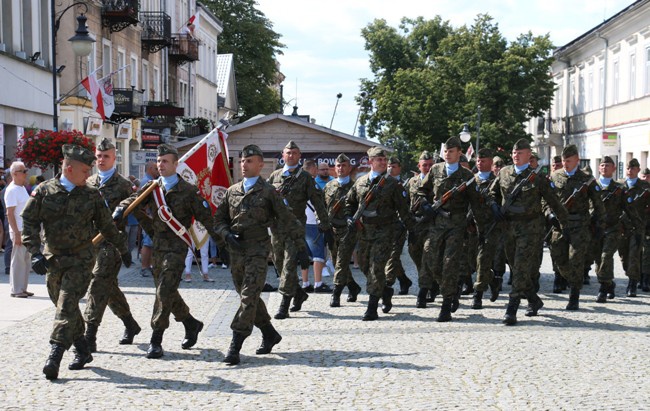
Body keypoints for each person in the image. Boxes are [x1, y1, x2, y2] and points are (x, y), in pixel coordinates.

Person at [22, 144, 132, 380]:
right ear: (69, 168)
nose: (88, 175)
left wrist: (123, 250)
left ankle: (55, 355)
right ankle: (82, 347)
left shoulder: (92, 194)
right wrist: (35, 253)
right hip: (53, 259)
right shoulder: (44, 191)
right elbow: (29, 221)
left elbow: (106, 226)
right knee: (65, 307)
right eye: (85, 171)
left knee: (66, 303)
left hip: (81, 259)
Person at [115, 144, 221, 359]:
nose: (160, 165)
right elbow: (134, 201)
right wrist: (121, 208)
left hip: (177, 246)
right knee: (168, 290)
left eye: (165, 161)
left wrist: (225, 240)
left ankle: (156, 339)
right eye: (158, 161)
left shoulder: (189, 191)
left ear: (175, 164)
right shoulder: (152, 188)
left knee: (164, 290)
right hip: (158, 246)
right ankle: (191, 323)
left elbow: (207, 220)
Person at [215, 144, 302, 365]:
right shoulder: (231, 191)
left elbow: (286, 217)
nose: (244, 165)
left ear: (260, 164)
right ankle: (270, 333)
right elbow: (219, 220)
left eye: (250, 161)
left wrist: (301, 245)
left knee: (248, 296)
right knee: (250, 297)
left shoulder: (269, 191)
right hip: (236, 250)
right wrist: (226, 236)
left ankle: (236, 344)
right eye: (242, 161)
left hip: (258, 248)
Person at [488, 139, 568, 325]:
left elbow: (554, 201)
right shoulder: (504, 173)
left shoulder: (537, 178)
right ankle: (533, 299)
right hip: (509, 228)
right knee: (516, 268)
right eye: (514, 153)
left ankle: (512, 307)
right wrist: (493, 206)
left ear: (528, 156)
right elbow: (492, 193)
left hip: (530, 228)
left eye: (520, 153)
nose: (516, 155)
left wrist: (564, 224)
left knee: (522, 266)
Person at [83, 139, 142, 353]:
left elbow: (138, 203)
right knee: (109, 288)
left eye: (105, 156)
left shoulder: (123, 184)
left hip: (112, 243)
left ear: (114, 157)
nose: (101, 160)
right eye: (98, 156)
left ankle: (89, 335)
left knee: (98, 284)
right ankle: (130, 324)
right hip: (90, 244)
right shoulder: (88, 182)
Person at [415, 137, 481, 322]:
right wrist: (425, 204)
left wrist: (478, 225)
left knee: (450, 262)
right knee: (430, 257)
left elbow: (475, 202)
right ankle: (449, 289)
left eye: (451, 151)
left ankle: (446, 304)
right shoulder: (436, 170)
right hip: (437, 223)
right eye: (445, 151)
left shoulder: (467, 176)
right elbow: (422, 190)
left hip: (456, 224)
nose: (447, 154)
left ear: (459, 153)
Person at [345, 147, 414, 321]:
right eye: (379, 160)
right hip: (364, 232)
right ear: (370, 162)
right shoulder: (360, 182)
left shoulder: (392, 184)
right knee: (363, 265)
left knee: (376, 268)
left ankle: (372, 307)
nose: (383, 163)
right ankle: (385, 291)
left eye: (385, 160)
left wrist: (412, 229)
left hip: (385, 231)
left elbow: (403, 210)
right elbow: (349, 202)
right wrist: (348, 217)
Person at [267, 141, 331, 319]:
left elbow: (318, 202)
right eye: (288, 153)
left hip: (296, 229)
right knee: (279, 266)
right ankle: (300, 294)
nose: (291, 156)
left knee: (288, 266)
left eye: (295, 153)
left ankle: (284, 304)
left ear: (299, 156)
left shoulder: (305, 178)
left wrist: (325, 225)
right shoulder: (274, 176)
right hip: (277, 229)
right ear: (283, 155)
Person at [546, 144, 605, 310]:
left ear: (577, 160)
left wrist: (599, 223)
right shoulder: (555, 176)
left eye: (569, 161)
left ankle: (574, 295)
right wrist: (548, 214)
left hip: (580, 225)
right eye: (564, 160)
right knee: (559, 259)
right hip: (560, 225)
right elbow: (546, 199)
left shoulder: (586, 179)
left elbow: (598, 204)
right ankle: (571, 280)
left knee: (576, 259)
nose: (565, 164)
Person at [326, 154, 362, 307]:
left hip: (348, 229)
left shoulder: (356, 187)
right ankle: (353, 287)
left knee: (341, 261)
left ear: (349, 168)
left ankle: (336, 293)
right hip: (332, 228)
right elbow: (322, 206)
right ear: (335, 168)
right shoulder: (329, 186)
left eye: (344, 166)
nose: (341, 168)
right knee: (336, 261)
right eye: (338, 166)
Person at [467, 149, 501, 309]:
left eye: (484, 160)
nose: (480, 163)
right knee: (472, 261)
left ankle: (478, 295)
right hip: (473, 227)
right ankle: (492, 280)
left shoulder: (498, 181)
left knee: (483, 259)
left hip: (490, 227)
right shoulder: (470, 181)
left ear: (490, 163)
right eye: (478, 161)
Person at [406, 151, 438, 306]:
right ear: (419, 166)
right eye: (424, 165)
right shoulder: (411, 182)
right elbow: (405, 203)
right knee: (416, 255)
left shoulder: (438, 181)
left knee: (427, 254)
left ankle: (424, 290)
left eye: (430, 165)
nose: (427, 167)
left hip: (431, 224)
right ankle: (431, 281)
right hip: (415, 224)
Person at [593, 156, 626, 302]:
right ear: (599, 168)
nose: (604, 167)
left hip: (613, 228)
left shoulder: (619, 188)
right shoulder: (592, 186)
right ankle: (609, 283)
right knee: (598, 260)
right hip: (596, 228)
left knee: (606, 256)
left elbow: (628, 209)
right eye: (602, 165)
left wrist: (634, 228)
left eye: (608, 165)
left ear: (613, 169)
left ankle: (603, 289)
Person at [617, 158, 650, 297]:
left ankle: (632, 284)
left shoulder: (645, 187)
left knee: (634, 256)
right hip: (622, 228)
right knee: (624, 257)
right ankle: (630, 274)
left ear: (637, 170)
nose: (630, 171)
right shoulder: (619, 186)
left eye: (633, 168)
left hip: (638, 227)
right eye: (628, 168)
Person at [301, 160, 331, 293]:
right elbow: (318, 204)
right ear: (312, 169)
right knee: (318, 254)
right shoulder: (312, 184)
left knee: (305, 254)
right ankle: (318, 283)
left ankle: (305, 282)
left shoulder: (298, 183)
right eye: (316, 168)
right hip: (313, 222)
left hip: (301, 222)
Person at [385, 156, 413, 295]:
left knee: (393, 255)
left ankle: (387, 284)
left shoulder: (405, 184)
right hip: (385, 225)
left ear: (399, 168)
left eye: (394, 166)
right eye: (389, 166)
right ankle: (403, 279)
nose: (390, 168)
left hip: (400, 225)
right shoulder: (382, 183)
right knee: (390, 255)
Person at [5, 161, 32, 298]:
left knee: (26, 260)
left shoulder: (21, 188)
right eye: (23, 171)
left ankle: (22, 288)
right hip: (19, 229)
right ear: (15, 174)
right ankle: (16, 289)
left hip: (25, 228)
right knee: (18, 260)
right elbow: (10, 213)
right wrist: (16, 233)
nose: (26, 173)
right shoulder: (12, 190)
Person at [139, 161, 159, 277]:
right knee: (147, 243)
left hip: (151, 215)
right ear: (150, 169)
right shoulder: (147, 181)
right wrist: (147, 214)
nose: (157, 171)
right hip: (148, 216)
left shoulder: (148, 180)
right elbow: (142, 201)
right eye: (156, 169)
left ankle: (148, 266)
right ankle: (144, 267)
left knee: (150, 243)